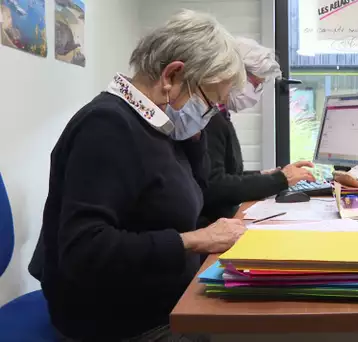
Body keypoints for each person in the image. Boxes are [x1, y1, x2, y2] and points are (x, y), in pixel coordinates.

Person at [29, 10, 246, 341]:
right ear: (172, 75)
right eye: (209, 102)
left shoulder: (157, 126)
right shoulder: (107, 126)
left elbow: (192, 197)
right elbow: (84, 248)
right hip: (114, 320)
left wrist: (193, 139)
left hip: (162, 297)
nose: (210, 115)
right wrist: (193, 240)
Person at [200, 37, 315, 225]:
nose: (256, 92)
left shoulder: (219, 116)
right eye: (255, 84)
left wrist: (264, 176)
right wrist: (279, 180)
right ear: (233, 74)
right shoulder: (208, 120)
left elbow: (224, 175)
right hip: (213, 226)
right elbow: (215, 186)